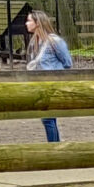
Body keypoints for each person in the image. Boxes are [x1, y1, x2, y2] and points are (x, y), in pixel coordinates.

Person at [25, 10, 73, 142]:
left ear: (38, 23)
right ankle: (55, 145)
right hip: (41, 84)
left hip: (52, 84)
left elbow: (67, 62)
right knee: (48, 118)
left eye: (29, 20)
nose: (26, 23)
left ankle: (54, 146)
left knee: (48, 118)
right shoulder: (36, 42)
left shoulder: (54, 41)